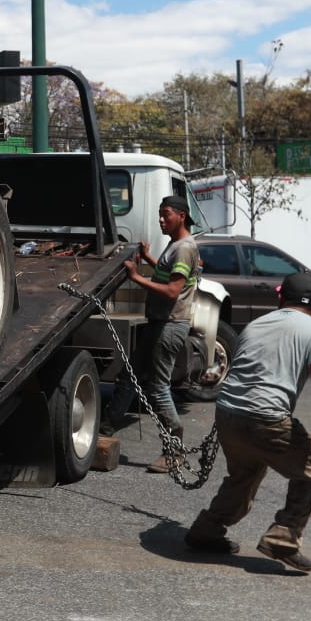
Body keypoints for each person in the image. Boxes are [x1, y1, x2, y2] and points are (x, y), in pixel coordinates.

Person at [184, 270, 311, 573]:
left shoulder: (255, 325)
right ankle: (283, 539)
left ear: (279, 297)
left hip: (228, 413)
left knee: (244, 474)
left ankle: (206, 530)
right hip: (266, 418)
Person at [103, 194, 200, 473]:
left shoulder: (184, 248)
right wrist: (148, 258)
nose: (161, 219)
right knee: (129, 375)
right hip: (159, 322)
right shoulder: (175, 246)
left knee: (158, 387)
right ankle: (107, 426)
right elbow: (169, 276)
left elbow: (172, 291)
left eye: (166, 214)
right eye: (160, 213)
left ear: (181, 216)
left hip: (170, 326)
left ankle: (174, 451)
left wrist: (136, 277)